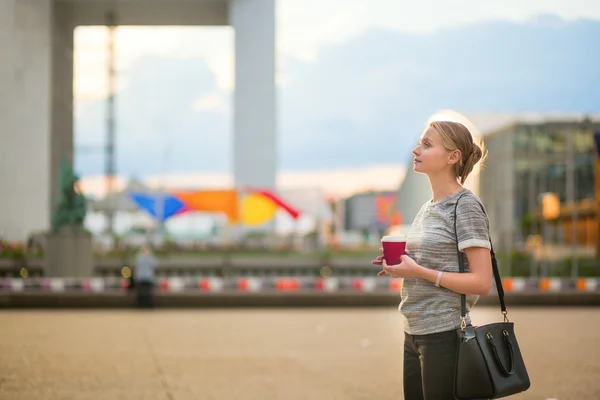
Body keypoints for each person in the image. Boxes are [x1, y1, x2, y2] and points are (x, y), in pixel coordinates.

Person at [372, 120, 493, 400]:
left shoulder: (466, 206)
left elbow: (482, 282)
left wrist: (419, 270)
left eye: (427, 145)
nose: (417, 150)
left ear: (453, 157)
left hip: (445, 334)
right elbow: (429, 264)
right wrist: (401, 264)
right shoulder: (428, 208)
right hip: (414, 332)